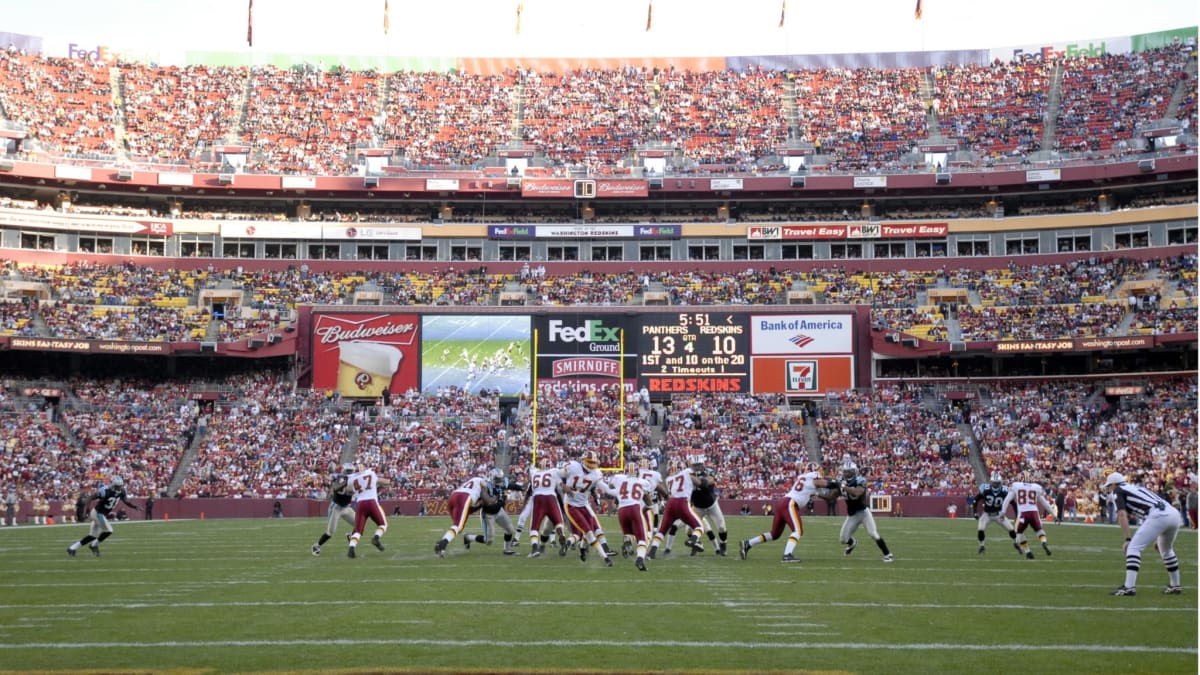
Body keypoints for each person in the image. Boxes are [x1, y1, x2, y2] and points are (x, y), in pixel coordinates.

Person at [1103, 472, 1183, 596]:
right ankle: (1175, 585)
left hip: (1158, 515)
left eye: (1109, 486)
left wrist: (1128, 539)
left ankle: (1129, 587)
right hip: (1173, 514)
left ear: (1113, 484)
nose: (1109, 489)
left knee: (1133, 548)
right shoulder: (1136, 487)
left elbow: (1121, 514)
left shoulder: (1118, 490)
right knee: (1166, 550)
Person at [740, 462, 838, 563]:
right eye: (819, 470)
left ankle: (748, 543)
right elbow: (827, 484)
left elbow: (826, 496)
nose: (821, 473)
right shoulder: (812, 477)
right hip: (790, 503)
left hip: (783, 502)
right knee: (798, 530)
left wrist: (834, 488)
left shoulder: (803, 478)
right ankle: (787, 555)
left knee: (774, 534)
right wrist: (837, 483)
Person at [562, 451, 615, 566]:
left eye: (593, 462)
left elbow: (600, 488)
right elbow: (558, 477)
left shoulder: (596, 474)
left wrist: (615, 491)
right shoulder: (573, 466)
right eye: (589, 462)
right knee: (589, 532)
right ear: (583, 460)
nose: (591, 465)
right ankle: (606, 558)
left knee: (590, 530)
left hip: (585, 504)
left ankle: (582, 548)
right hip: (571, 505)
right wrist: (564, 486)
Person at [834, 460, 893, 562]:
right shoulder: (840, 480)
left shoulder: (860, 480)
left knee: (873, 533)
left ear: (854, 472)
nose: (846, 474)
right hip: (852, 515)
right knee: (843, 539)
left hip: (863, 513)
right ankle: (852, 543)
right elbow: (832, 494)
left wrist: (843, 486)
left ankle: (888, 554)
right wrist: (820, 493)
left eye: (849, 472)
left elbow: (857, 493)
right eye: (845, 471)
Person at [67, 477, 140, 557]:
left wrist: (134, 506)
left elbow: (126, 501)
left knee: (92, 536)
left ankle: (72, 548)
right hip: (98, 513)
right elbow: (90, 497)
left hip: (100, 514)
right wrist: (85, 511)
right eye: (117, 486)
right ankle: (93, 545)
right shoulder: (105, 491)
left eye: (120, 486)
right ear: (113, 485)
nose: (119, 488)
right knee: (109, 530)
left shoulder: (122, 491)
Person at [434, 473, 496, 557]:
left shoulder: (474, 482)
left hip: (453, 496)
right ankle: (443, 543)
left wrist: (480, 504)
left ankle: (443, 542)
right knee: (458, 526)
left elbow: (469, 510)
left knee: (458, 527)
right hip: (464, 497)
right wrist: (493, 500)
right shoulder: (484, 483)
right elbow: (486, 499)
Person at [463, 468, 523, 555]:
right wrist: (502, 502)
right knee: (488, 541)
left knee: (510, 530)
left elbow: (510, 486)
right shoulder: (486, 487)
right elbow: (488, 505)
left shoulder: (502, 484)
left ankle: (507, 550)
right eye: (498, 479)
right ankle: (468, 537)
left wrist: (522, 488)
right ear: (492, 478)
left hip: (499, 511)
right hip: (488, 514)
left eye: (501, 478)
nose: (500, 481)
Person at [606, 465, 653, 571]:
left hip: (621, 510)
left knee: (628, 533)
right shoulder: (643, 482)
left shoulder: (619, 478)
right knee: (642, 539)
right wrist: (649, 506)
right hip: (634, 508)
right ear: (637, 472)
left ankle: (627, 541)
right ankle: (640, 559)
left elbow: (610, 484)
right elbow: (647, 499)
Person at [1000, 472, 1054, 560]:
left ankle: (1028, 552)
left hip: (1023, 513)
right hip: (1034, 512)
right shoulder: (1036, 487)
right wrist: (1054, 515)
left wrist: (1003, 512)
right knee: (1039, 530)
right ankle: (1043, 541)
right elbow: (1045, 504)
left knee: (1019, 533)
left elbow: (1007, 500)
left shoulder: (1016, 486)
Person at [524, 456, 568, 558]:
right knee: (558, 522)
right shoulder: (554, 472)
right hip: (551, 498)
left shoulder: (534, 473)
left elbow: (530, 472)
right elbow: (562, 483)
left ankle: (535, 549)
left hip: (538, 498)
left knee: (534, 526)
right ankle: (561, 534)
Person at [312, 463, 357, 556]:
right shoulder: (338, 478)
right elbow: (331, 481)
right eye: (348, 471)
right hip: (336, 507)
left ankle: (351, 535)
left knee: (359, 524)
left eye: (351, 471)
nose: (350, 473)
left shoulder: (354, 479)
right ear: (344, 470)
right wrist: (320, 473)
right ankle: (316, 546)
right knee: (330, 532)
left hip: (346, 507)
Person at [688, 455, 729, 556]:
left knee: (722, 528)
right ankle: (696, 544)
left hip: (711, 505)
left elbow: (707, 482)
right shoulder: (687, 474)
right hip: (697, 507)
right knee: (689, 529)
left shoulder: (708, 471)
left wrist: (694, 479)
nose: (697, 467)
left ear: (702, 464)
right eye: (695, 465)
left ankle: (723, 544)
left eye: (699, 465)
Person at [345, 463, 388, 559]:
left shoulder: (352, 479)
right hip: (372, 502)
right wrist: (387, 482)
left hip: (360, 504)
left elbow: (348, 490)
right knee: (382, 525)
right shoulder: (371, 473)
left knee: (358, 530)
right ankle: (376, 538)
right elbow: (383, 482)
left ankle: (351, 548)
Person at [973, 471, 1020, 555]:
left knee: (1011, 529)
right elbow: (976, 499)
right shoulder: (985, 489)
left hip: (999, 515)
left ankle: (1016, 543)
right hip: (987, 514)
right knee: (980, 529)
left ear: (1000, 482)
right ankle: (982, 547)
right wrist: (975, 512)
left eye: (997, 483)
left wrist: (1017, 514)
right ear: (991, 482)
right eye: (994, 483)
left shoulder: (1004, 490)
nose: (995, 485)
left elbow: (1013, 503)